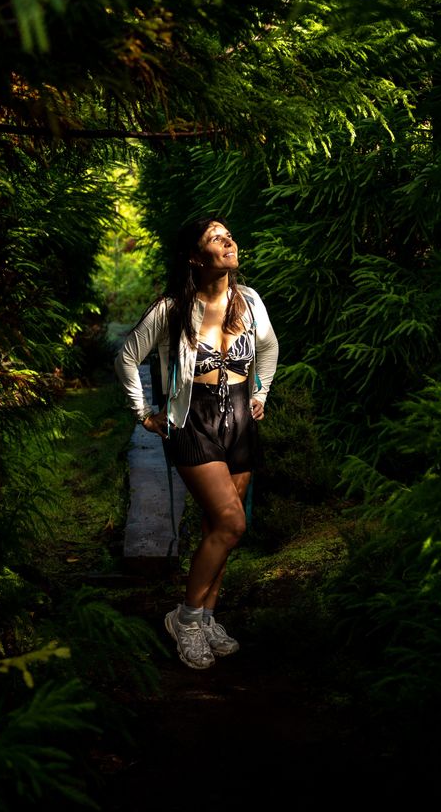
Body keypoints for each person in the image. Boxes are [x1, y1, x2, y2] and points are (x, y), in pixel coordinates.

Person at [115, 216, 278, 670]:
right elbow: (128, 356)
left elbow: (268, 348)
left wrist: (261, 392)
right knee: (232, 522)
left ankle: (207, 617)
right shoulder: (171, 309)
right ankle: (185, 619)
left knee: (217, 531)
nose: (228, 240)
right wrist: (143, 412)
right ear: (194, 257)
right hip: (191, 420)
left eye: (228, 234)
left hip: (240, 418)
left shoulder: (249, 301)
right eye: (214, 237)